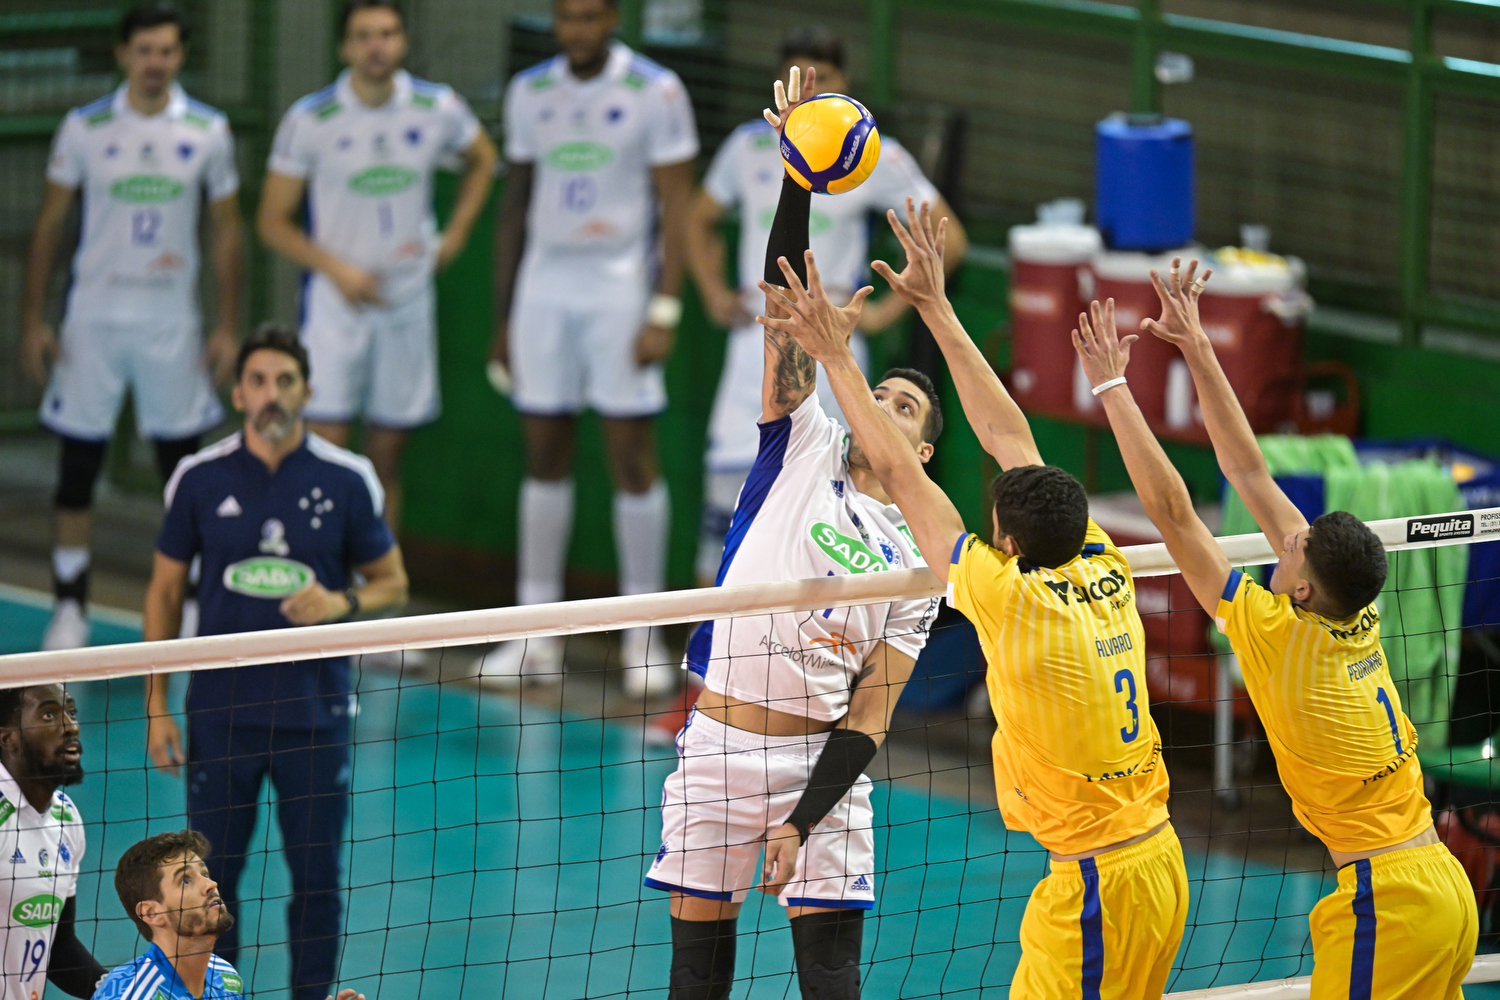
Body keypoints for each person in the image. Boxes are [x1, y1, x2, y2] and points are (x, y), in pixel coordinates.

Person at [768, 196, 1188, 997]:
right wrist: (935, 306)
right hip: (1158, 860)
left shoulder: (1008, 596)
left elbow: (900, 473)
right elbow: (1011, 440)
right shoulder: (1097, 558)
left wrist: (836, 357)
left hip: (1095, 882)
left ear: (1011, 545)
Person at [1072, 259, 1479, 998]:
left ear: (1300, 586)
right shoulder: (1355, 613)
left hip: (1392, 903)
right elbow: (1252, 475)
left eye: (1293, 545)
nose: (1282, 538)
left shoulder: (1278, 633)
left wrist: (1111, 386)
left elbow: (1174, 517)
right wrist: (1196, 344)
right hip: (1443, 890)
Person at [642, 66, 938, 1000]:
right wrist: (795, 180)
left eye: (909, 406)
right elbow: (780, 295)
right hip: (720, 745)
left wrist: (803, 821)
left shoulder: (925, 556)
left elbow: (873, 716)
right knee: (698, 977)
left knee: (830, 982)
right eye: (880, 392)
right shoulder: (803, 441)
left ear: (924, 455)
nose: (886, 402)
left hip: (825, 769)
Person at [141, 324, 409, 1000]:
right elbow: (165, 590)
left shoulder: (347, 480)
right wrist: (155, 706)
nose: (271, 394)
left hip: (315, 720)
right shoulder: (199, 479)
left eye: (285, 381)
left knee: (317, 883)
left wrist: (341, 599)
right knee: (208, 890)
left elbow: (393, 582)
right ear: (237, 393)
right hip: (220, 719)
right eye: (258, 381)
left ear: (308, 391)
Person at [687, 26, 968, 587]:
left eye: (824, 78)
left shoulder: (872, 151)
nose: (811, 93)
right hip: (758, 342)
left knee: (826, 509)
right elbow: (697, 219)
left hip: (834, 347)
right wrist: (715, 294)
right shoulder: (749, 145)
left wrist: (886, 311)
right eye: (797, 75)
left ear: (845, 82)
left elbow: (950, 239)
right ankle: (701, 660)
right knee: (725, 516)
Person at [484, 0, 699, 694]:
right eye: (566, 17)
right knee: (542, 452)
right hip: (544, 287)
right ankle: (535, 631)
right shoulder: (529, 92)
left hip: (620, 289)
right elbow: (514, 205)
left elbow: (677, 207)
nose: (578, 29)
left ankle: (643, 635)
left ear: (612, 18)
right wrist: (503, 315)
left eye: (590, 16)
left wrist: (664, 306)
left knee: (630, 455)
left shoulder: (657, 91)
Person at [22, 1, 243, 651]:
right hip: (93, 319)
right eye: (144, 50)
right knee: (77, 469)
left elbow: (227, 231)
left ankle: (197, 609)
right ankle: (70, 607)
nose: (156, 63)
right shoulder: (83, 128)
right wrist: (34, 317)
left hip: (171, 321)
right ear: (123, 54)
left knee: (186, 474)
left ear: (181, 57)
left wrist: (228, 322)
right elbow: (50, 224)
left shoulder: (208, 130)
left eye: (168, 51)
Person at [257, 0, 497, 532]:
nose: (376, 46)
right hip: (334, 308)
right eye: (363, 35)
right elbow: (272, 221)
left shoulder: (436, 107)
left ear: (403, 42)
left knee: (386, 459)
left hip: (407, 303)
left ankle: (381, 590)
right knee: (323, 452)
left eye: (387, 34)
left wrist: (454, 235)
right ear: (344, 47)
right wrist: (338, 270)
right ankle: (318, 583)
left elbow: (484, 159)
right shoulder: (310, 118)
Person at [98, 829, 366, 1000]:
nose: (210, 884)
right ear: (152, 912)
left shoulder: (226, 979)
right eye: (185, 881)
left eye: (204, 873)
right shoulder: (131, 994)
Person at [0, 685, 106, 1000]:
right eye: (49, 714)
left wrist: (119, 991)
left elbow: (59, 947)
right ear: (9, 739)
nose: (71, 726)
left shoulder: (66, 817)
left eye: (71, 712)